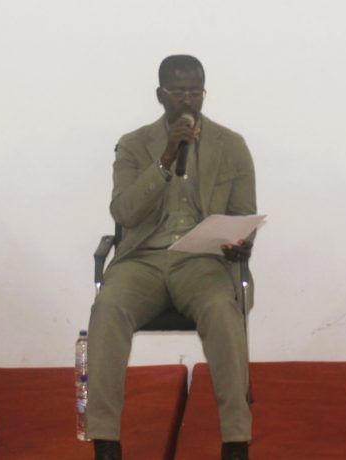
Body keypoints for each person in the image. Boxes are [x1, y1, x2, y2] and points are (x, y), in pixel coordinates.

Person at [86, 55, 256, 460]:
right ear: (160, 95)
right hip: (141, 261)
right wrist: (165, 157)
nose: (188, 100)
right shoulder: (133, 145)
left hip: (201, 261)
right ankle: (105, 441)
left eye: (196, 91)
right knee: (107, 308)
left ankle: (236, 442)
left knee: (222, 309)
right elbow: (124, 212)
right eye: (179, 92)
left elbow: (244, 215)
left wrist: (239, 241)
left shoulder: (231, 145)